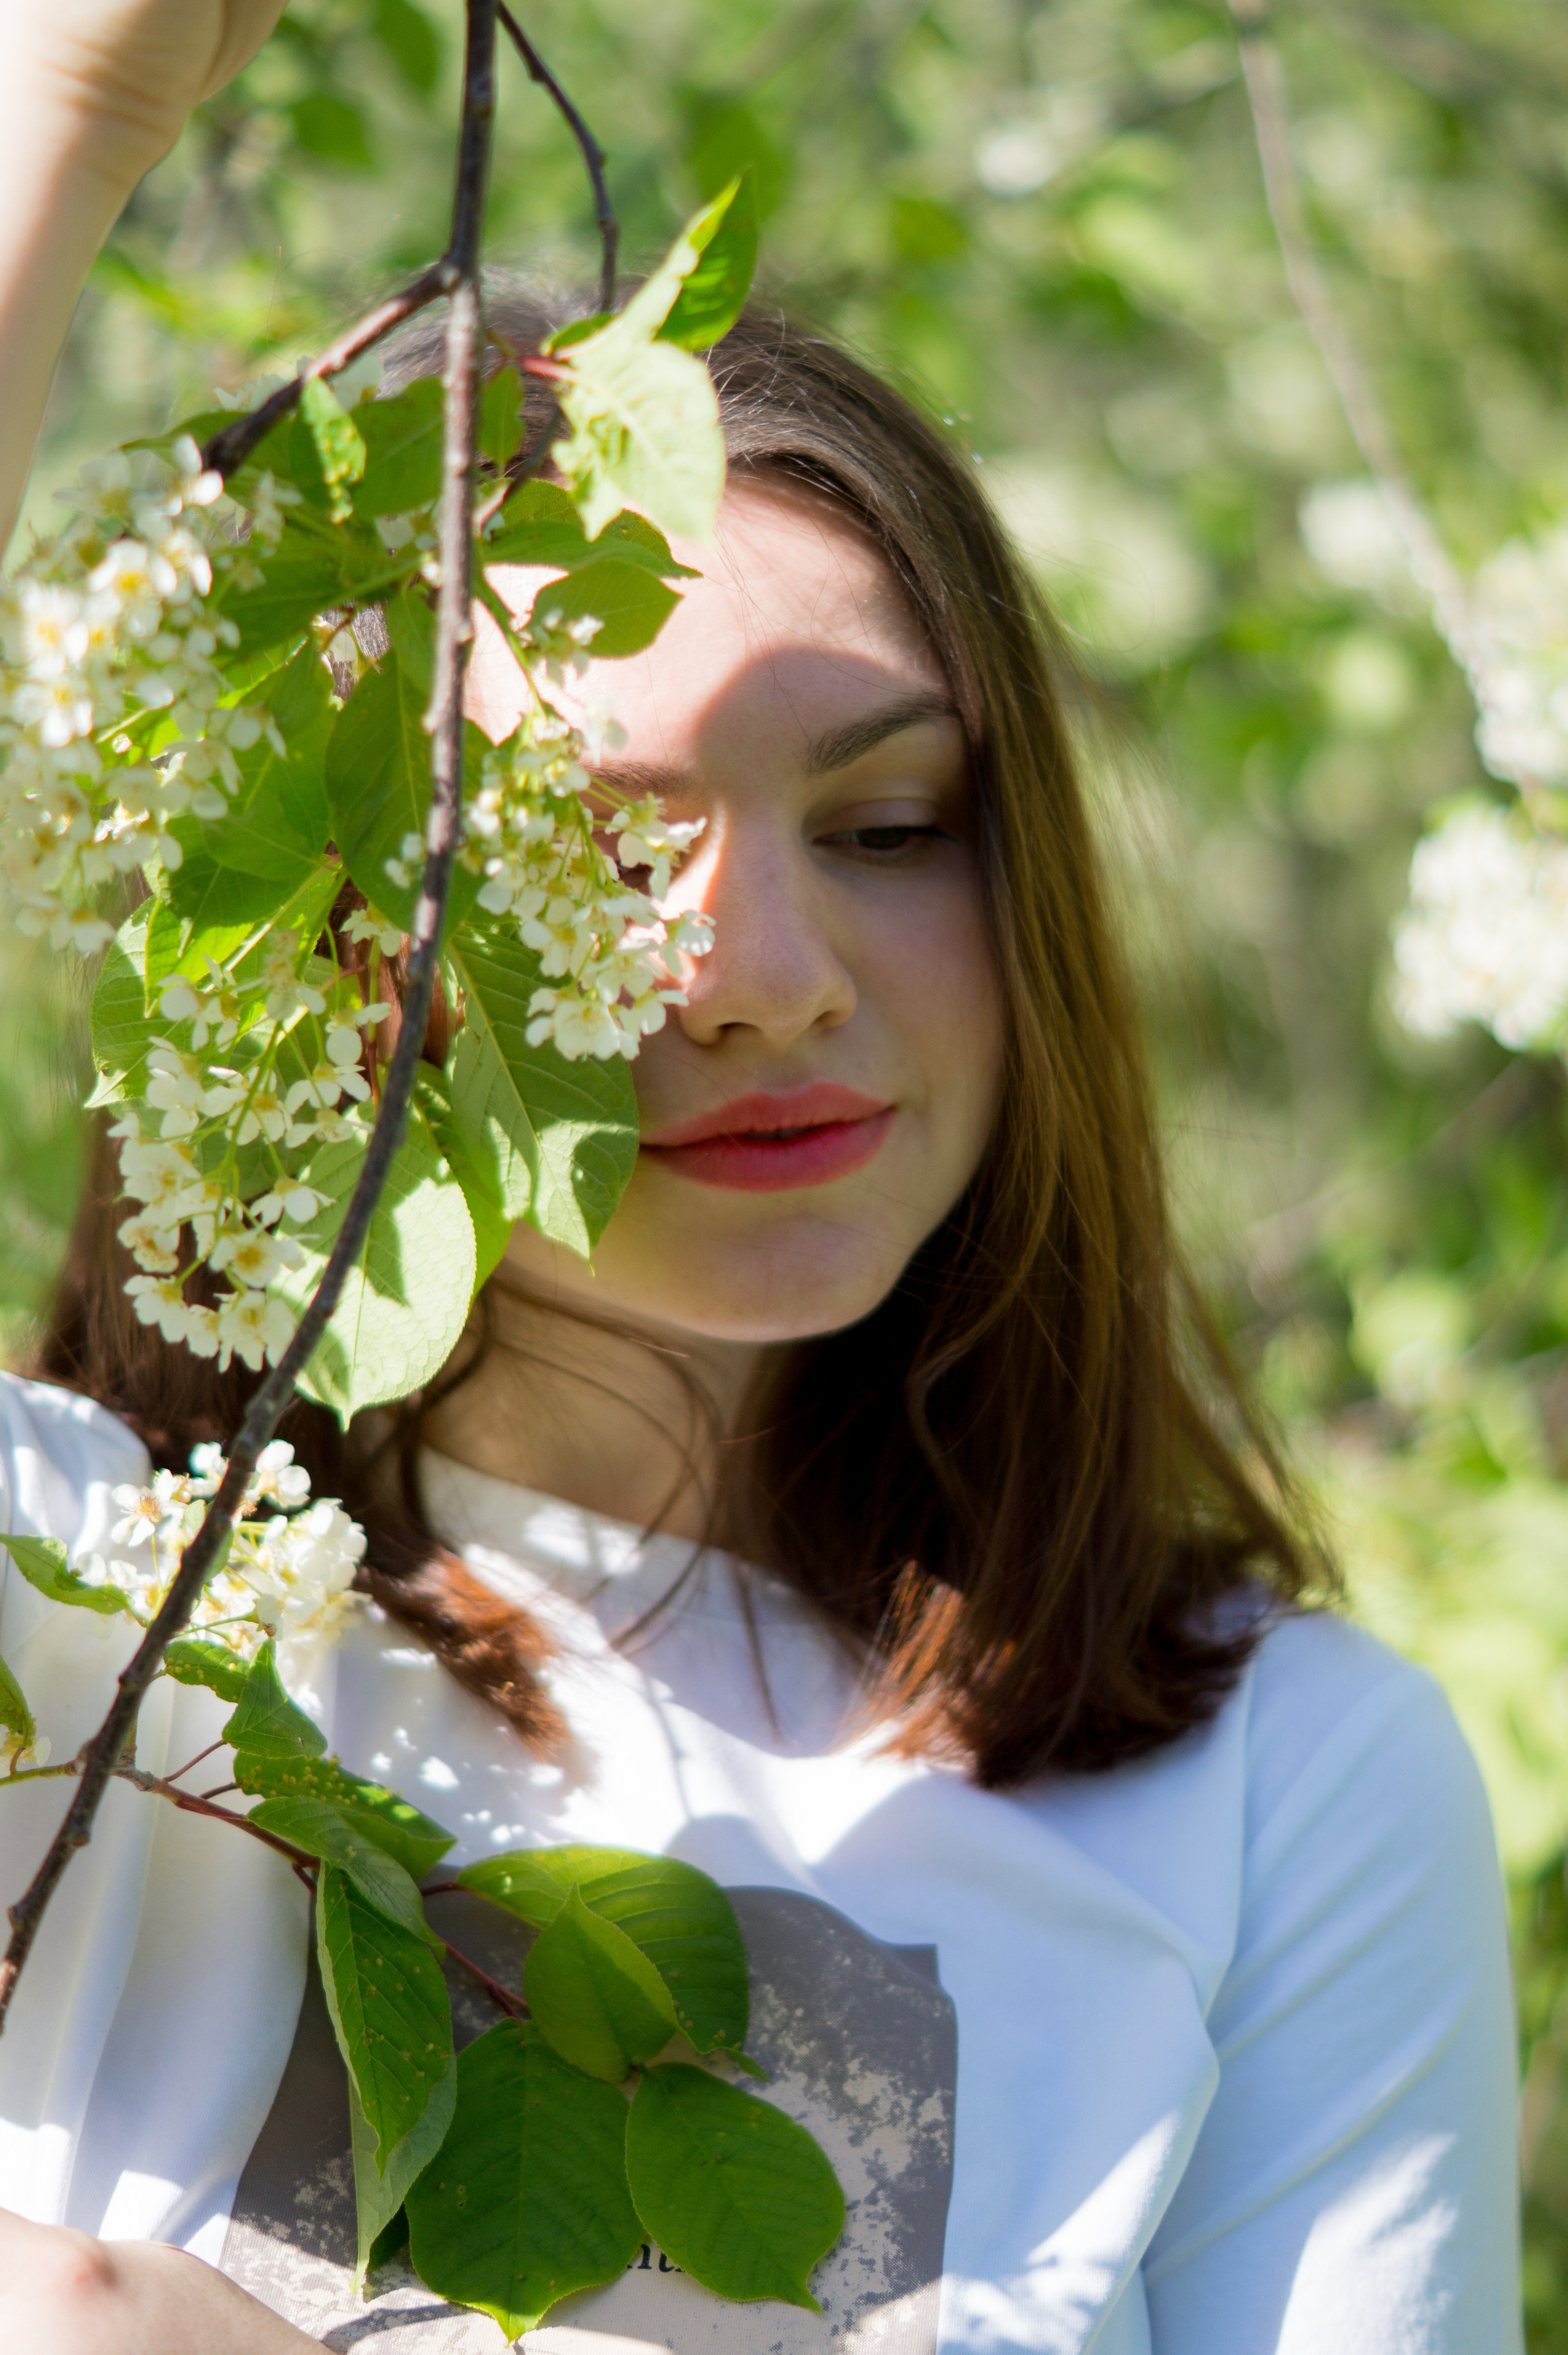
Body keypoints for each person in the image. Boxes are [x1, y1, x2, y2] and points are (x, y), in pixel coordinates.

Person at [0, 3, 1521, 2349]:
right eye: (597, 863)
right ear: (311, 942)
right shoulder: (72, 1595)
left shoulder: (1270, 1788)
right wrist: (64, 125)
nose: (768, 977)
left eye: (893, 826)